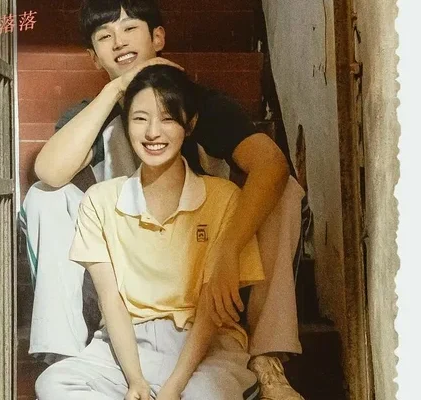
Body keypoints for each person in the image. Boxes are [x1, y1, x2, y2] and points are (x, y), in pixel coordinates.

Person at [21, 1, 306, 398]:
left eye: (129, 29)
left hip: (209, 267)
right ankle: (66, 351)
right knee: (45, 196)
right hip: (121, 276)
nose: (119, 42)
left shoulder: (199, 105)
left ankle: (266, 354)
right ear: (93, 57)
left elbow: (271, 164)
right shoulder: (95, 113)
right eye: (104, 36)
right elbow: (50, 171)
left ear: (157, 37)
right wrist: (116, 89)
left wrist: (228, 249)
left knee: (282, 190)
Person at [36, 64, 264, 400]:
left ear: (190, 125)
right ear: (126, 125)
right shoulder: (100, 200)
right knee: (54, 384)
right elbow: (111, 300)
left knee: (206, 393)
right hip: (124, 346)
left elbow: (210, 308)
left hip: (205, 345)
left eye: (167, 118)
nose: (153, 132)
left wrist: (173, 387)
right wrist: (136, 381)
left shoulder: (223, 198)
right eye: (140, 119)